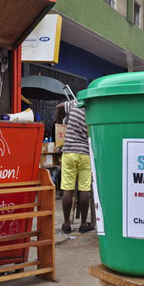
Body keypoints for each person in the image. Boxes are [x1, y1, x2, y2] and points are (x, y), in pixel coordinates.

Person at [55, 99, 93, 234]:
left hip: (69, 151)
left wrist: (60, 123)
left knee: (67, 188)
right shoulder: (94, 109)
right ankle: (83, 224)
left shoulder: (74, 103)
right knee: (84, 189)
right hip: (85, 153)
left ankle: (66, 224)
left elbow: (58, 107)